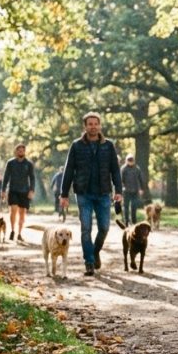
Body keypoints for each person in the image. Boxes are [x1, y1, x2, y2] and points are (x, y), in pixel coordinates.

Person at [60, 111, 123, 276]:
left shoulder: (108, 146)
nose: (93, 127)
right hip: (83, 193)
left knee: (104, 228)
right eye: (90, 124)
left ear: (100, 125)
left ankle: (95, 251)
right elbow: (68, 170)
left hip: (103, 193)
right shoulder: (76, 145)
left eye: (96, 124)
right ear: (85, 126)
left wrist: (119, 190)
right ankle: (89, 261)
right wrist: (64, 194)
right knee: (85, 228)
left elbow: (115, 170)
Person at [2, 144, 35, 242]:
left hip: (24, 191)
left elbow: (32, 178)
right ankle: (12, 230)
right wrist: (3, 190)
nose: (21, 152)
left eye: (22, 150)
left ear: (24, 152)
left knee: (22, 213)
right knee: (13, 210)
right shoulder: (11, 163)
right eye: (19, 150)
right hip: (13, 190)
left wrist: (31, 190)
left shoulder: (29, 164)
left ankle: (19, 233)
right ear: (16, 151)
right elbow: (6, 177)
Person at [120, 154, 145, 224]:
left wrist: (141, 189)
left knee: (134, 206)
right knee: (126, 207)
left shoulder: (137, 169)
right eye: (129, 160)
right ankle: (126, 221)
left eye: (132, 160)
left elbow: (140, 179)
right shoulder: (123, 169)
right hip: (126, 191)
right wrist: (120, 189)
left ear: (134, 161)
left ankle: (134, 221)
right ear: (126, 161)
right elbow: (120, 180)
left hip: (135, 190)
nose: (130, 162)